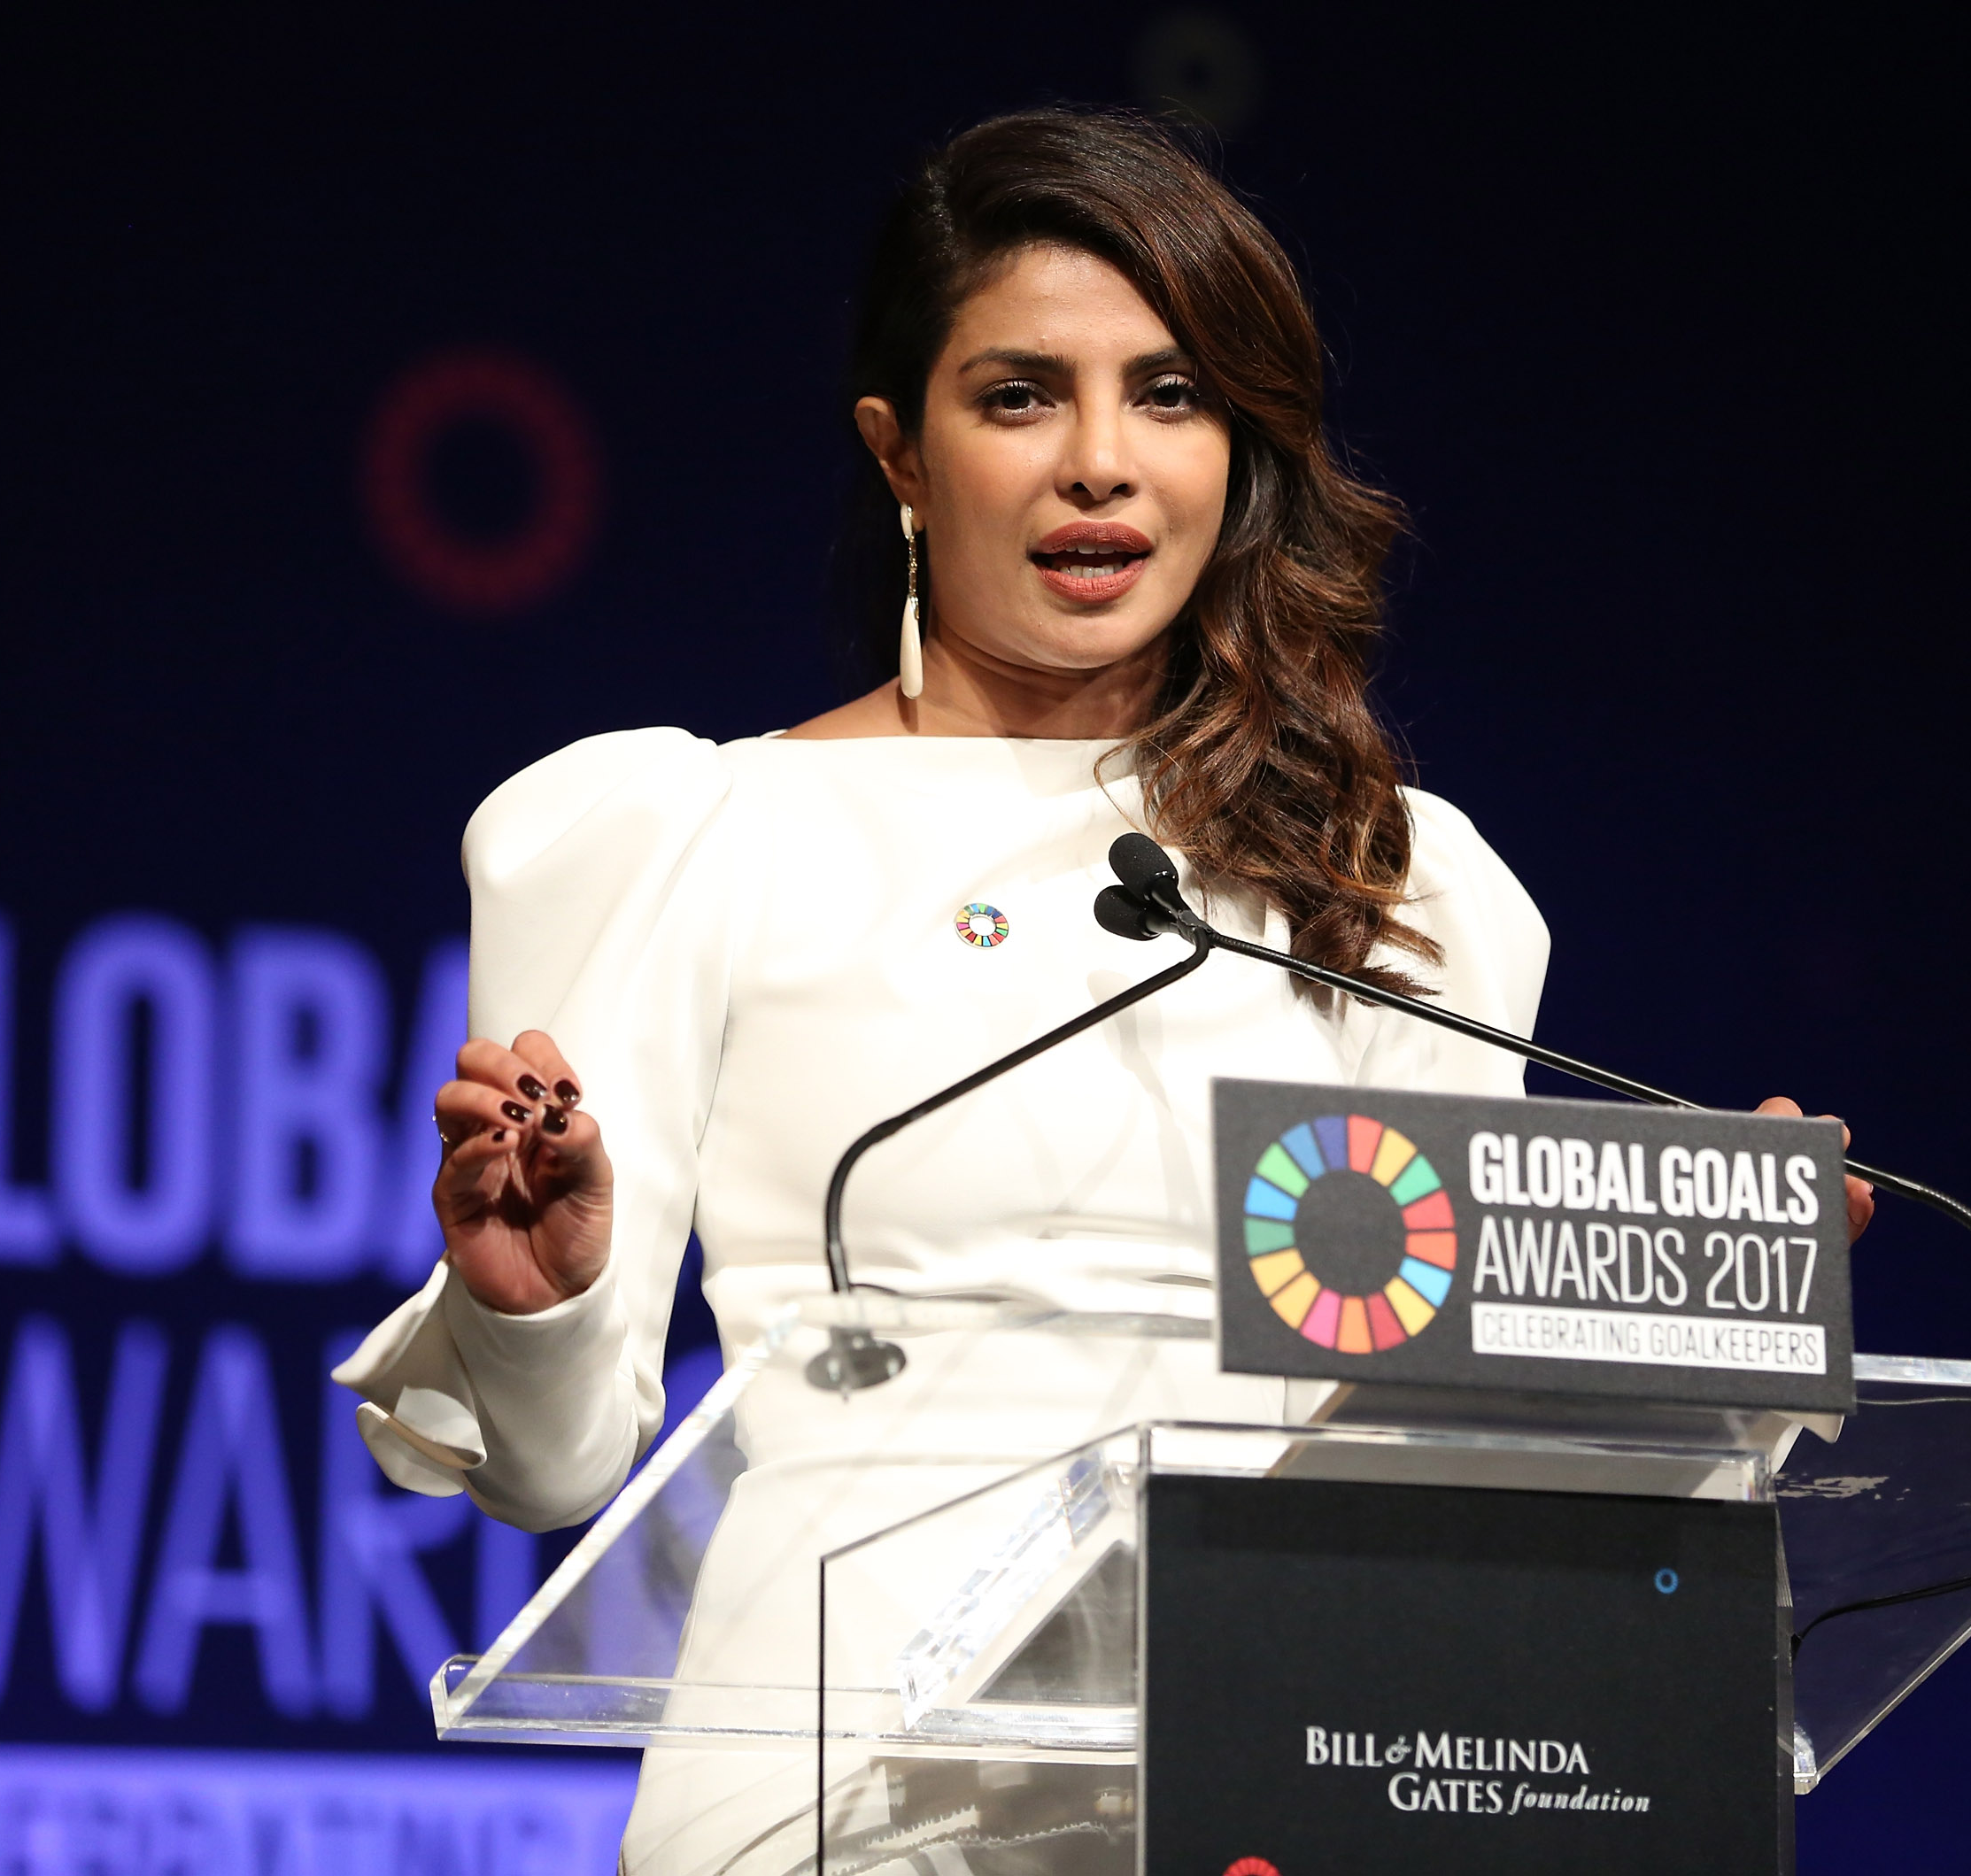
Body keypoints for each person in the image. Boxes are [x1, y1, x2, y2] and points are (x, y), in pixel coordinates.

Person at [336, 105, 1872, 1875]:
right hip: (836, 1797)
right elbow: (551, 1469)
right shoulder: (699, 834)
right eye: (1018, 397)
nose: (1101, 464)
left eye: (1169, 395)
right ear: (901, 453)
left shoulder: (1391, 881)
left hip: (1278, 1784)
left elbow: (1442, 1441)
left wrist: (1695, 1307)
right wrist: (539, 1305)